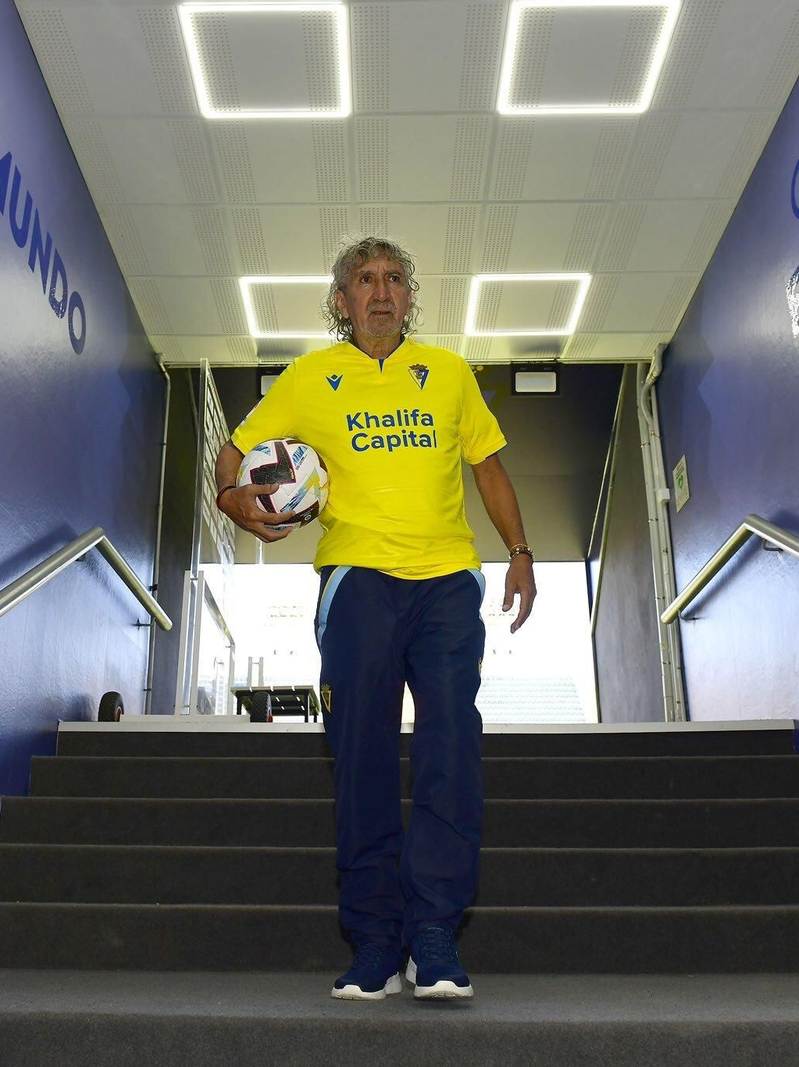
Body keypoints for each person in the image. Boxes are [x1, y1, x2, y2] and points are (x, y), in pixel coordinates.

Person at [214, 236, 535, 1001]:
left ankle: (435, 931)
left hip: (446, 580)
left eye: (394, 278)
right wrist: (231, 497)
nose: (381, 291)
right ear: (342, 300)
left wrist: (520, 551)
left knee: (450, 744)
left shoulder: (450, 374)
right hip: (357, 579)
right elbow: (233, 450)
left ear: (410, 297)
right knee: (360, 753)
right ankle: (375, 939)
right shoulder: (308, 377)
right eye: (365, 279)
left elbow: (489, 467)